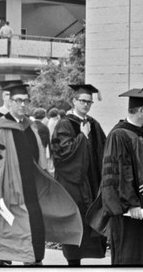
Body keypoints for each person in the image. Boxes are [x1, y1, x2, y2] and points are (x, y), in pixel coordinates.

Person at [0, 81, 82, 265]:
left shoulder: (30, 126)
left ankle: (34, 263)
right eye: (18, 100)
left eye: (26, 101)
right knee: (3, 240)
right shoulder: (0, 128)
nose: (22, 105)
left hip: (30, 191)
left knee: (34, 234)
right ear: (9, 102)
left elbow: (39, 161)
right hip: (7, 193)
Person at [91, 88, 143, 265]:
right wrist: (131, 204)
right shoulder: (118, 136)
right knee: (130, 254)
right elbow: (118, 173)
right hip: (129, 211)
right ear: (141, 110)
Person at [50, 85, 107, 265]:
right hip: (72, 186)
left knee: (90, 225)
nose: (86, 105)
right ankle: (73, 264)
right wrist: (82, 137)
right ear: (74, 101)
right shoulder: (65, 124)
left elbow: (104, 150)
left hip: (92, 184)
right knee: (75, 225)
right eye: (83, 101)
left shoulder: (94, 124)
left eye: (89, 102)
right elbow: (61, 155)